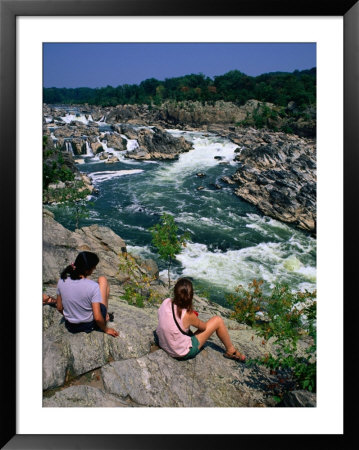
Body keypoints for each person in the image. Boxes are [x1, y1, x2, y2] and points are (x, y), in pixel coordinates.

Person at [155, 278, 245, 361]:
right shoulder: (188, 314)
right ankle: (230, 350)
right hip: (179, 352)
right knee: (218, 320)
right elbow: (203, 327)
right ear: (191, 297)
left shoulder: (166, 302)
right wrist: (194, 317)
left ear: (175, 292)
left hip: (163, 343)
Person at [56, 251, 119, 337]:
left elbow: (59, 307)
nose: (95, 268)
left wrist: (72, 316)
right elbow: (97, 317)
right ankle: (105, 316)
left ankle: (103, 315)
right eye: (94, 267)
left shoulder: (61, 280)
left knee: (101, 281)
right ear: (87, 270)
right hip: (88, 325)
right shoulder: (92, 286)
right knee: (103, 280)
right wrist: (106, 329)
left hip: (70, 325)